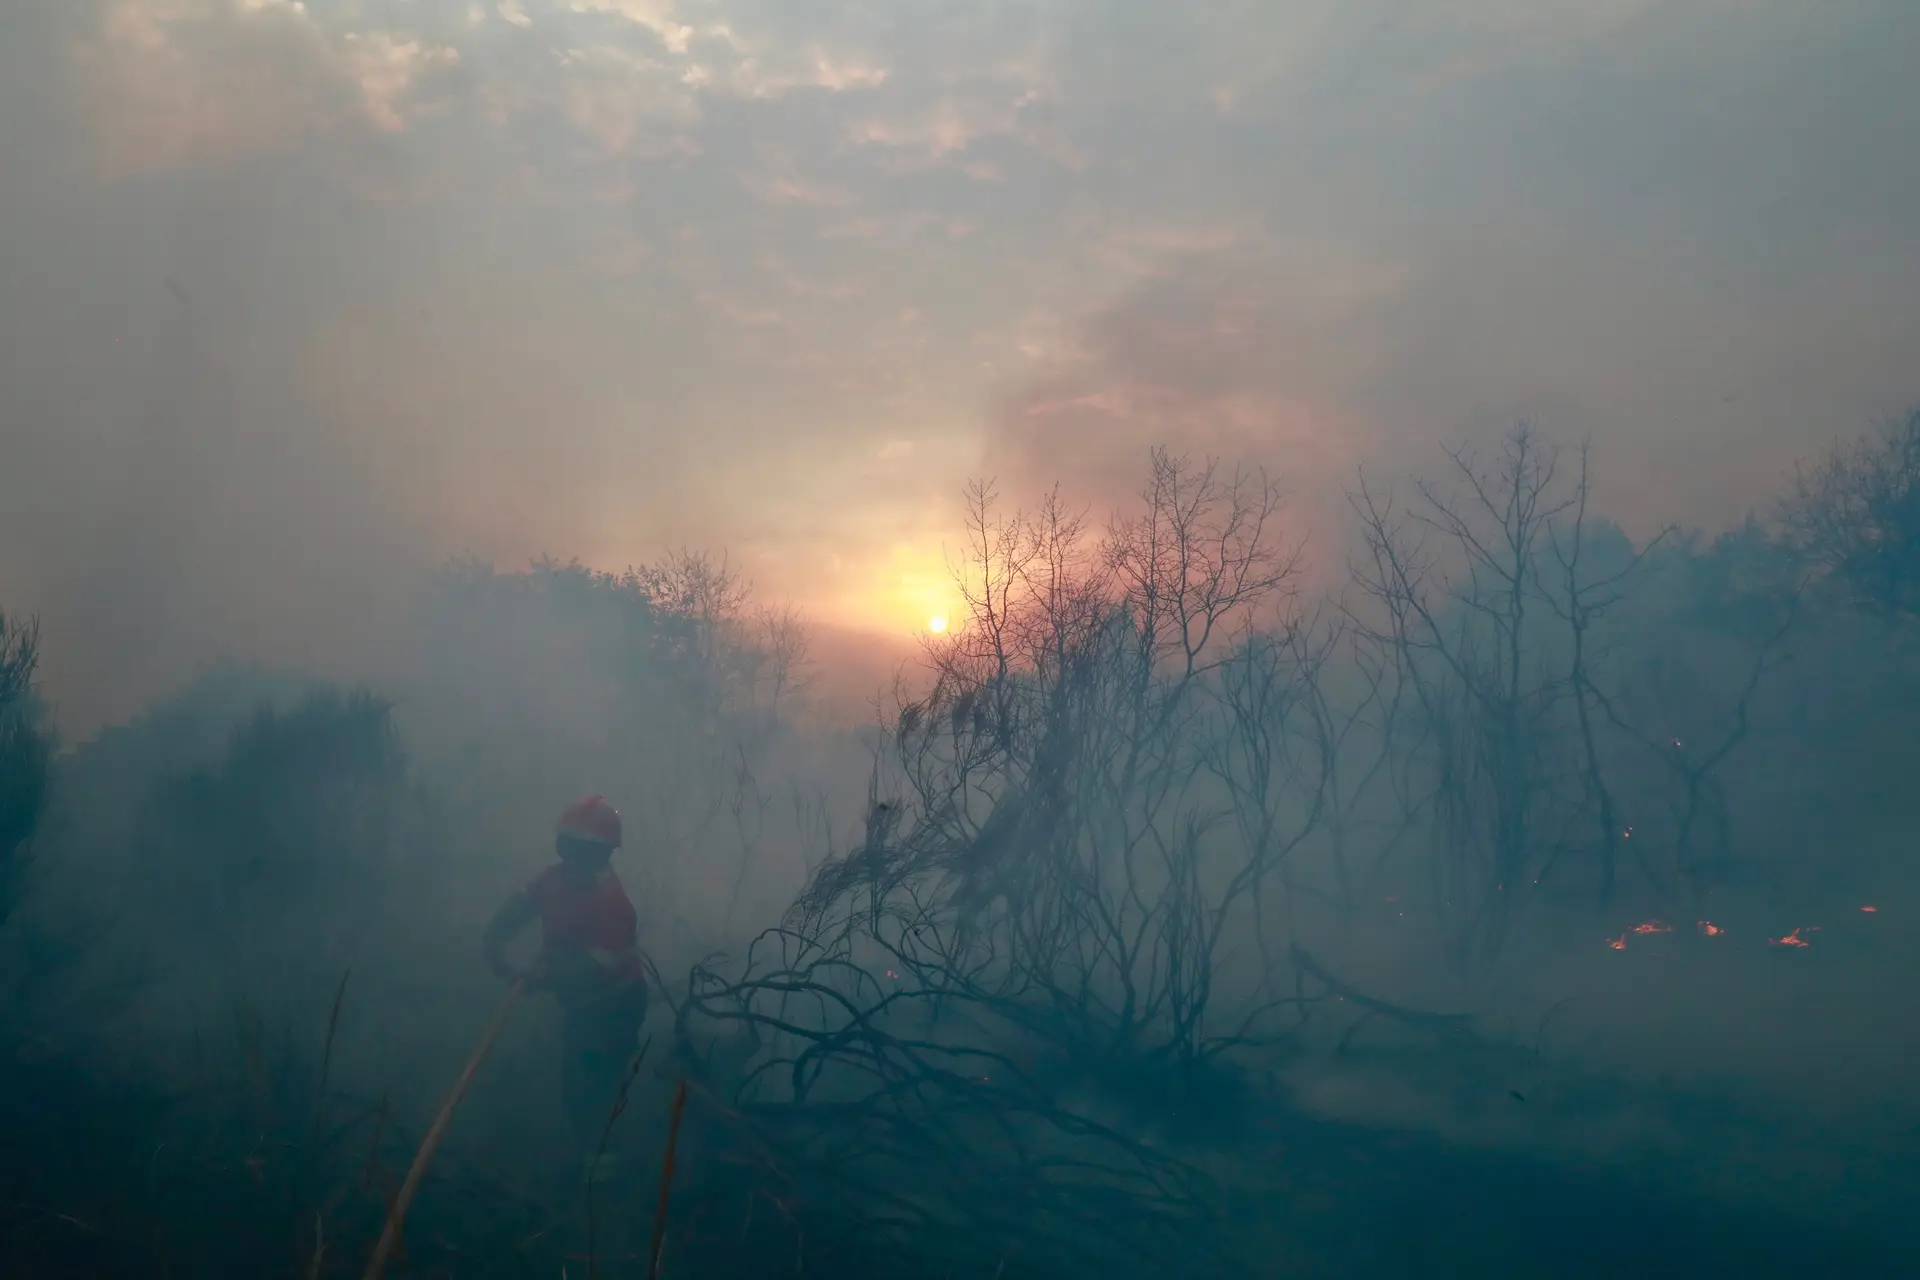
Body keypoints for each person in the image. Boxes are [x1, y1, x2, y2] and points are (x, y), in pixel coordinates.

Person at [482, 794, 649, 1185]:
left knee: (591, 1085)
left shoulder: (612, 903)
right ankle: (593, 1158)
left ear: (600, 853)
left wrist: (540, 980)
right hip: (583, 1004)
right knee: (578, 1083)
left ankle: (603, 1177)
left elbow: (594, 970)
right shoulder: (556, 878)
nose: (570, 855)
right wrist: (494, 938)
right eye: (566, 845)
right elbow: (523, 904)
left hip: (614, 1005)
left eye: (580, 848)